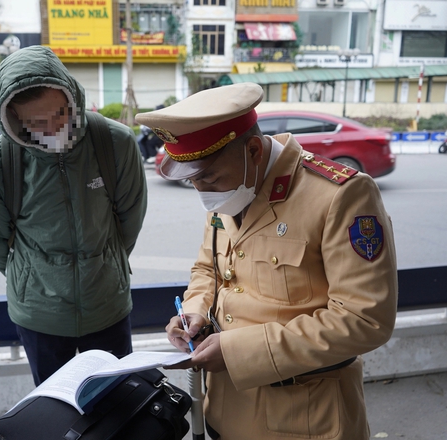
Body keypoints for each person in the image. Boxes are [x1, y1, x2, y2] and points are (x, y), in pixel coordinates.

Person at [135, 83, 397, 440]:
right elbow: (209, 269)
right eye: (192, 180)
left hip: (304, 416)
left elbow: (365, 319)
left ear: (254, 150)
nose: (202, 191)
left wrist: (237, 350)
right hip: (225, 407)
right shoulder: (231, 189)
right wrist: (195, 310)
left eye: (208, 176)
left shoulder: (339, 195)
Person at [0, 46, 148, 386]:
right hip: (40, 313)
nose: (54, 127)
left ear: (73, 98)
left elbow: (130, 215)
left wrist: (105, 262)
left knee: (118, 401)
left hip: (106, 302)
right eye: (37, 122)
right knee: (55, 406)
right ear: (14, 119)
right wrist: (33, 276)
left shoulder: (115, 142)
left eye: (61, 113)